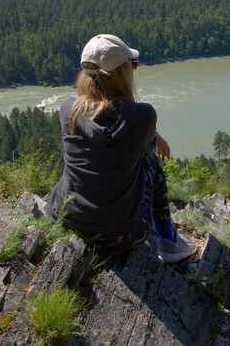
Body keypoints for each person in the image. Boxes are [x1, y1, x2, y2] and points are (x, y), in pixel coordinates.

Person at [45, 34, 197, 263]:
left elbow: (102, 119)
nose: (133, 70)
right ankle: (168, 240)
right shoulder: (143, 115)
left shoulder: (68, 110)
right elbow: (141, 144)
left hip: (66, 222)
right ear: (121, 74)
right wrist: (156, 136)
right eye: (131, 65)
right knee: (150, 162)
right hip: (125, 236)